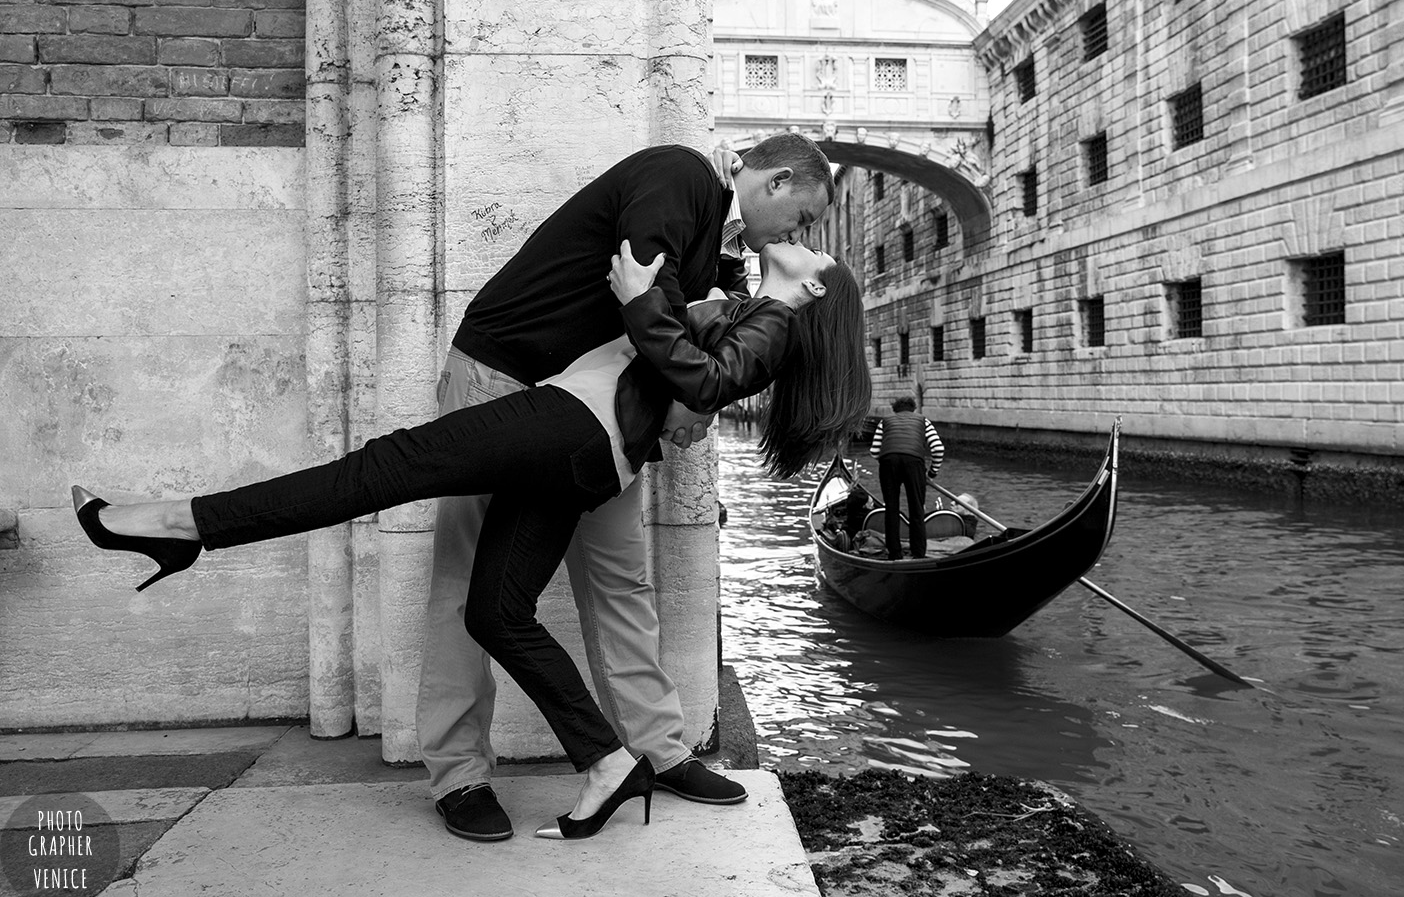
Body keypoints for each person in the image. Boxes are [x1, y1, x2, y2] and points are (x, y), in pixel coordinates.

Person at [70, 238, 871, 842]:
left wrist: (639, 299)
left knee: (384, 467)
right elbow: (693, 371)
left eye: (813, 241)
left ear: (815, 284)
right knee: (495, 609)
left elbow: (702, 381)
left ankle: (181, 525)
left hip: (568, 428)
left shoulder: (776, 318)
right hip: (585, 456)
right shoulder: (753, 302)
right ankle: (605, 761)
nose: (805, 231)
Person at [420, 134, 832, 841]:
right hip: (502, 376)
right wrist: (695, 393)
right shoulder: (678, 174)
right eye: (802, 218)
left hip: (592, 403)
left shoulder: (715, 229)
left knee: (618, 575)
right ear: (778, 179)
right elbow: (648, 292)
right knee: (465, 576)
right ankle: (459, 772)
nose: (799, 234)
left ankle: (658, 751)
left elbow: (680, 305)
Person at [868, 396, 945, 560]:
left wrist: (890, 457)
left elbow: (874, 452)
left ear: (894, 409)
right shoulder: (923, 421)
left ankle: (895, 554)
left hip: (889, 462)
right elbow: (938, 448)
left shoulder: (885, 421)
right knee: (917, 509)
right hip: (914, 462)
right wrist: (931, 473)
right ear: (913, 409)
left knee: (892, 508)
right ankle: (918, 554)